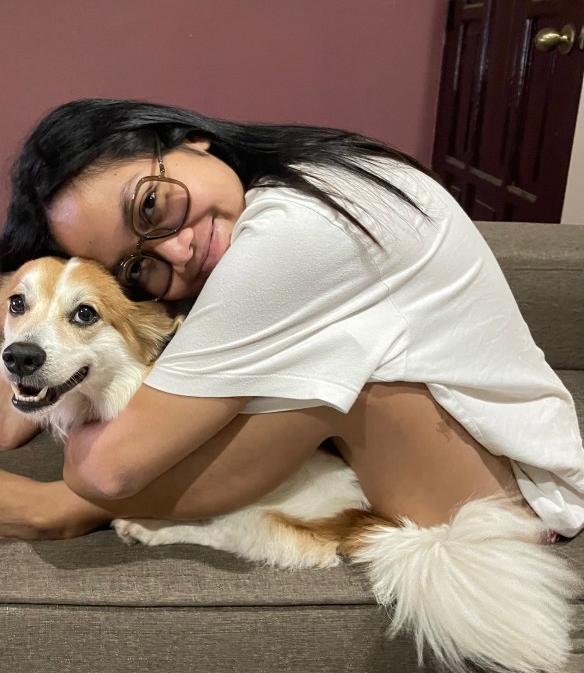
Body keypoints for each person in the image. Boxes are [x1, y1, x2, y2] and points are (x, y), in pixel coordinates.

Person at [0, 97, 583, 546]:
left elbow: (105, 469)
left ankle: (53, 514)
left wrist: (72, 493)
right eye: (137, 263)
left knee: (321, 377)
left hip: (502, 498)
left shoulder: (293, 234)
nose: (176, 251)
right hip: (491, 460)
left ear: (190, 142)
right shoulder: (293, 182)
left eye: (151, 205)